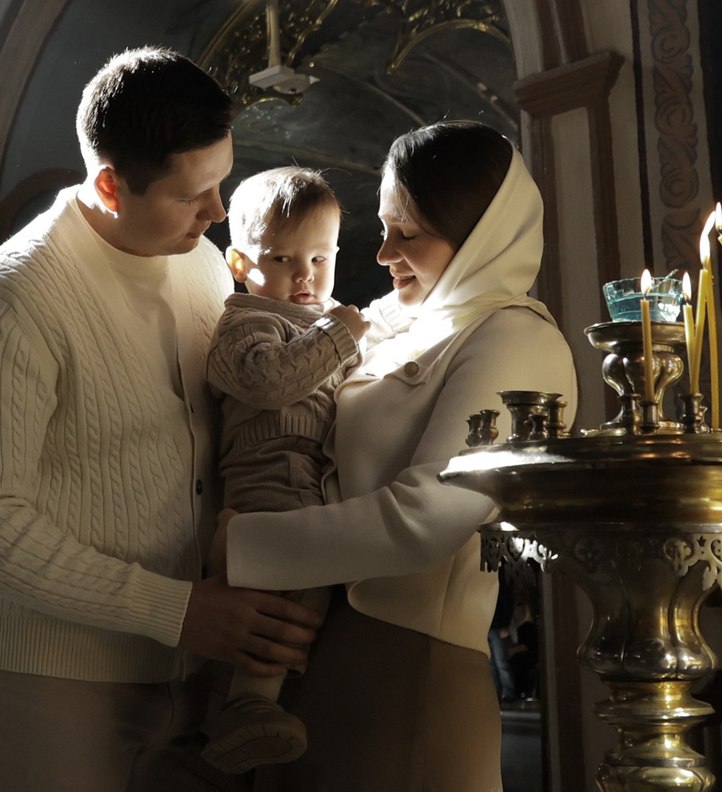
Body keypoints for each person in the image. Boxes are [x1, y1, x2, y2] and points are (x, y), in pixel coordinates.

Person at [0, 48, 324, 792]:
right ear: (111, 184)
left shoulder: (205, 265)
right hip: (58, 679)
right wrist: (177, 612)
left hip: (202, 674)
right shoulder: (12, 298)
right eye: (193, 195)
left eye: (223, 182)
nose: (216, 213)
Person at [222, 120, 577, 792]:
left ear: (478, 235)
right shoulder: (383, 321)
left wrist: (241, 541)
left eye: (408, 233)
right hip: (307, 658)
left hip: (409, 670)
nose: (382, 253)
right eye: (384, 227)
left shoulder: (516, 340)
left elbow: (428, 518)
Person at [199, 167, 368, 772]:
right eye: (282, 258)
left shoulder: (320, 326)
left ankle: (247, 707)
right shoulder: (245, 321)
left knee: (302, 602)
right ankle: (245, 706)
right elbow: (271, 381)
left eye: (320, 258)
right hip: (266, 493)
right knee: (276, 611)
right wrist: (341, 335)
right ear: (242, 264)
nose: (305, 275)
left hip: (310, 492)